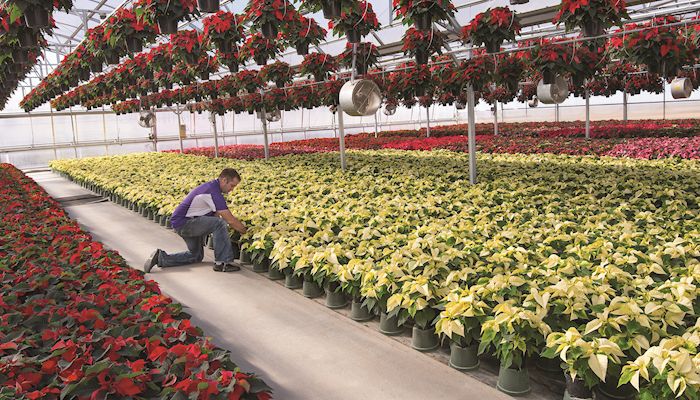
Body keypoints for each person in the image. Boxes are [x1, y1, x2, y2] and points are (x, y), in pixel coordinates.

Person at [144, 168, 247, 273]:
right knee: (220, 223)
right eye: (232, 185)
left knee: (196, 256)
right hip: (185, 223)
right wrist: (246, 232)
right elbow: (230, 220)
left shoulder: (211, 187)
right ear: (224, 180)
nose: (232, 189)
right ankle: (223, 263)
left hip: (184, 222)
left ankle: (160, 257)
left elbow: (216, 215)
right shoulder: (213, 192)